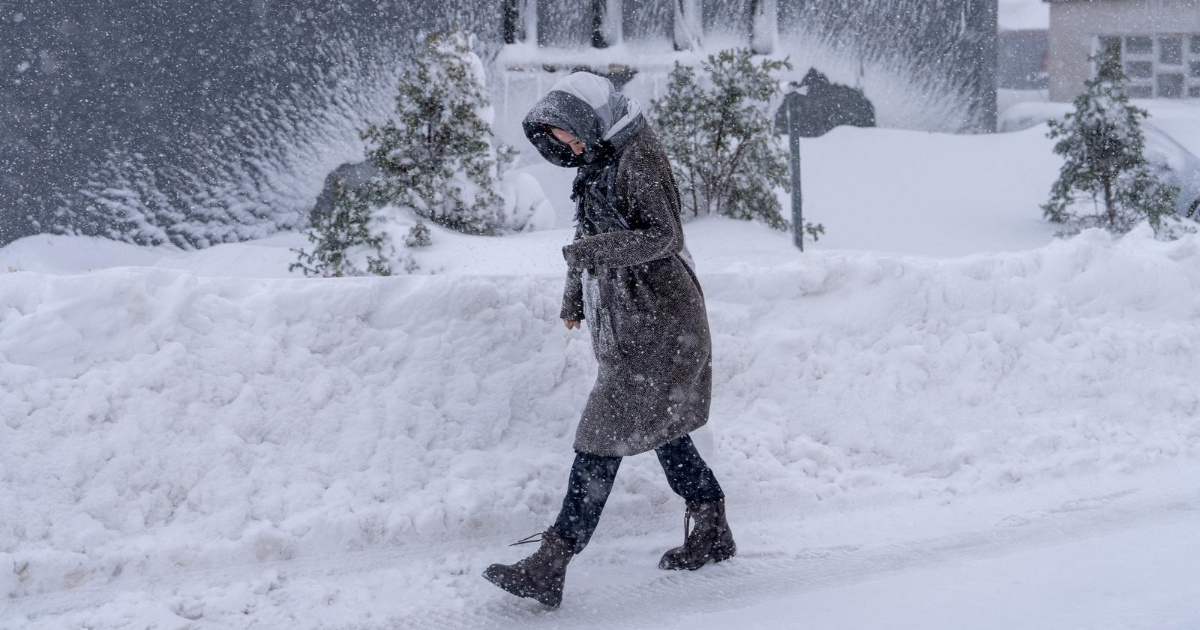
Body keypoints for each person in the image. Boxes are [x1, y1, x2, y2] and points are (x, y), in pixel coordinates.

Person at [482, 72, 735, 608]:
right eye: (557, 138)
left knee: (599, 439)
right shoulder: (602, 154)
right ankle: (712, 528)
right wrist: (576, 294)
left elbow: (664, 236)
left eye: (567, 134)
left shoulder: (636, 154)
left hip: (663, 322)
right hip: (635, 322)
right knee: (664, 428)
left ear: (586, 119)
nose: (566, 146)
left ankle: (553, 560)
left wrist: (587, 261)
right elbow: (589, 236)